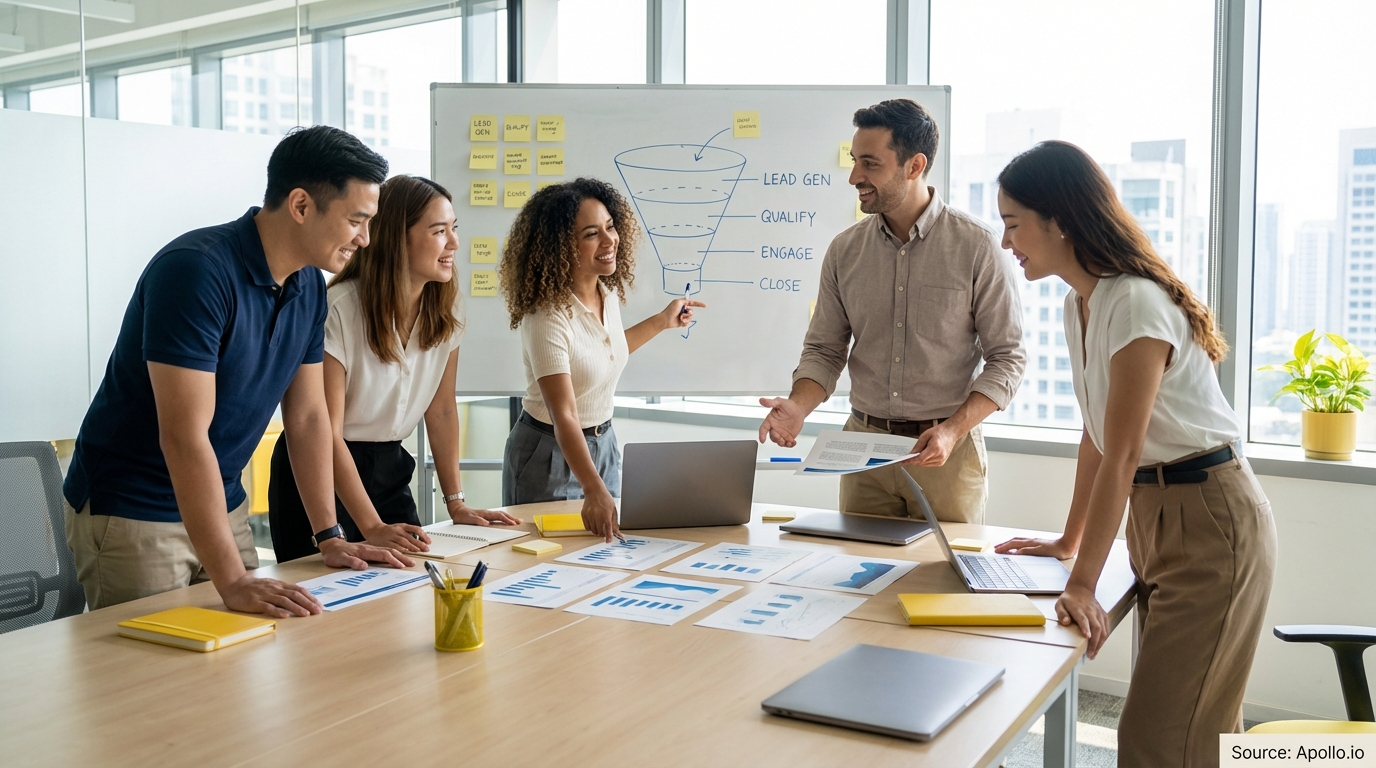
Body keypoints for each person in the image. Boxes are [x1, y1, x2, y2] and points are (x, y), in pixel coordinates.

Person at [991, 141, 1276, 768]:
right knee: (1191, 729)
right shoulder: (1081, 303)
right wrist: (1068, 543)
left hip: (1210, 518)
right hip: (1159, 513)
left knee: (1160, 737)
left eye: (1013, 223)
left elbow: (1120, 454)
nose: (1007, 241)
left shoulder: (1135, 301)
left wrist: (1084, 583)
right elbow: (1096, 433)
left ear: (1057, 219)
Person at [62, 126, 411, 618]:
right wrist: (233, 581)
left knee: (254, 654)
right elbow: (184, 435)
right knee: (153, 686)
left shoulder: (308, 285)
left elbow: (309, 418)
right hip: (136, 510)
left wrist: (329, 536)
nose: (366, 239)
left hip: (223, 506)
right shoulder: (196, 271)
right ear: (301, 205)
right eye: (357, 220)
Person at [758, 98, 1026, 524]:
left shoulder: (977, 246)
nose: (853, 177)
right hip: (862, 452)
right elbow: (825, 350)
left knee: (943, 583)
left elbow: (1007, 359)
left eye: (870, 164)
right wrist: (798, 406)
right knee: (857, 581)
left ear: (914, 166)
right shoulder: (844, 251)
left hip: (946, 453)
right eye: (853, 161)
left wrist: (953, 431)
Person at [268, 175, 521, 563]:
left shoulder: (447, 310)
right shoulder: (338, 309)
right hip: (321, 468)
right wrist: (371, 526)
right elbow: (326, 432)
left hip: (389, 468)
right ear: (394, 238)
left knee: (408, 583)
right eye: (439, 231)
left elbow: (441, 410)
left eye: (454, 229)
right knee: (325, 605)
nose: (454, 243)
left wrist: (457, 504)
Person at [499, 178, 703, 542]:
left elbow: (601, 353)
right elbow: (564, 414)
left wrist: (662, 321)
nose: (610, 240)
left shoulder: (605, 295)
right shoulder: (547, 314)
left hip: (603, 443)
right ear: (560, 247)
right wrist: (593, 488)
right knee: (550, 564)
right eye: (592, 233)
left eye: (611, 227)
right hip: (548, 451)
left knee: (603, 555)